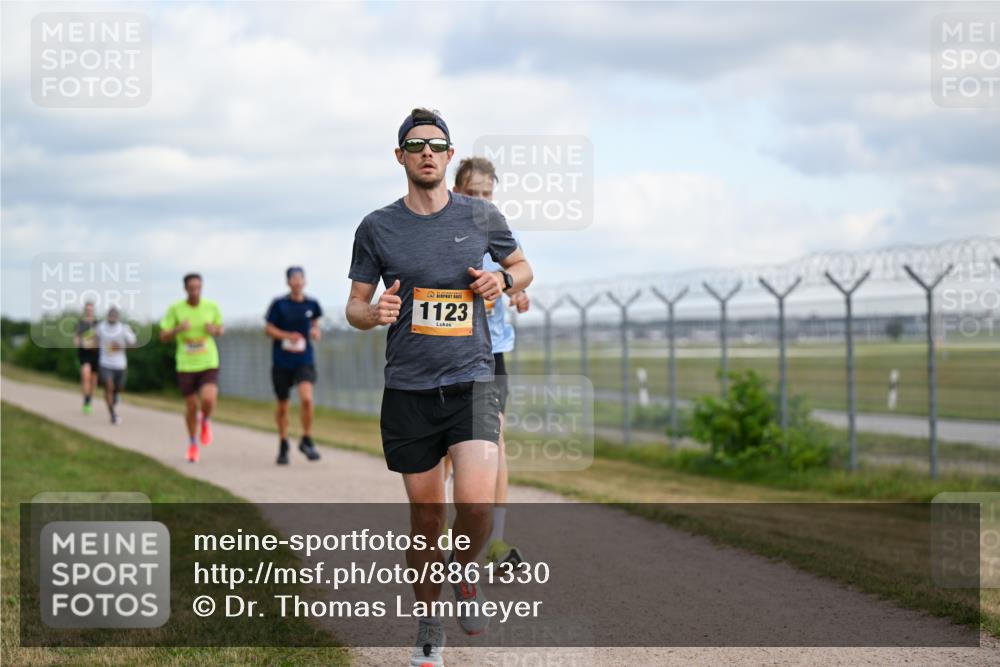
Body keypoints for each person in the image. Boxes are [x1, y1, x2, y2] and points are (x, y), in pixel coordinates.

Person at [345, 108, 532, 667]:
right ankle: (429, 626)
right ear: (400, 156)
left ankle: (465, 568)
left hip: (472, 378)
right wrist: (371, 312)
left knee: (474, 504)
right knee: (426, 520)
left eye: (437, 144)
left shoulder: (481, 216)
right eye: (415, 144)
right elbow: (354, 305)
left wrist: (503, 277)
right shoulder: (376, 227)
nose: (427, 152)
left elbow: (522, 267)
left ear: (449, 157)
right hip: (409, 388)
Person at [451, 157, 531, 568]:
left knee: (495, 443)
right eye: (472, 193)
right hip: (448, 356)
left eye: (487, 193)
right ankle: (458, 525)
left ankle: (496, 542)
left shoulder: (498, 234)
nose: (481, 200)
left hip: (492, 354)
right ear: (457, 192)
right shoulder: (444, 235)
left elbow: (517, 273)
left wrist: (515, 292)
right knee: (450, 454)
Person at [159, 273, 224, 463]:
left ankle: (205, 420)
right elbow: (163, 336)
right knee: (191, 406)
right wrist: (178, 329)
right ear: (185, 289)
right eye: (192, 287)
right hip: (186, 364)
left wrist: (215, 330)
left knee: (209, 399)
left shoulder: (211, 307)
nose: (195, 291)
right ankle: (193, 443)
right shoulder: (175, 309)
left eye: (198, 287)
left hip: (208, 361)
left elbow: (221, 329)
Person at [265, 266, 323, 464]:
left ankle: (306, 439)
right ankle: (283, 443)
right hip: (282, 361)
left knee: (306, 398)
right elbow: (269, 329)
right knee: (283, 404)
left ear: (305, 281)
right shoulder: (279, 304)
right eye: (293, 278)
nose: (297, 282)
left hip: (304, 360)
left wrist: (315, 331)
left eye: (300, 278)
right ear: (288, 282)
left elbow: (315, 324)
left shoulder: (312, 304)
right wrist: (287, 335)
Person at [95, 307, 137, 425]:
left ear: (118, 316)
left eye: (114, 315)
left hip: (120, 365)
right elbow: (94, 341)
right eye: (110, 314)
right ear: (107, 315)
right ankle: (113, 415)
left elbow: (133, 345)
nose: (112, 316)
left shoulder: (124, 329)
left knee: (118, 388)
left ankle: (116, 396)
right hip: (105, 363)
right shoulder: (101, 327)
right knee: (109, 387)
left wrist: (120, 347)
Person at [74, 301, 99, 414]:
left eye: (91, 309)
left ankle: (89, 399)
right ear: (85, 310)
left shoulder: (98, 324)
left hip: (96, 355)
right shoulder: (80, 324)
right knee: (86, 376)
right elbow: (76, 340)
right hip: (84, 355)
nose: (89, 311)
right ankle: (86, 402)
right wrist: (84, 343)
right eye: (87, 309)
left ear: (93, 311)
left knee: (93, 381)